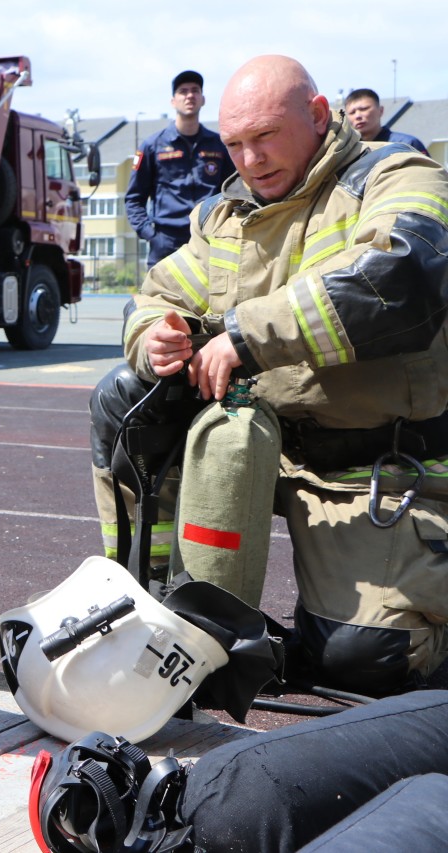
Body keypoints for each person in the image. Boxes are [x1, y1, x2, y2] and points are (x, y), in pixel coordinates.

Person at [88, 55, 448, 696]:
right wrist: (156, 339)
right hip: (264, 448)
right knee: (125, 395)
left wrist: (246, 336)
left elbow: (403, 281)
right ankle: (152, 601)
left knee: (367, 661)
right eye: (234, 144)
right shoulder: (224, 215)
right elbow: (154, 295)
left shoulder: (398, 175)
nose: (249, 160)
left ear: (316, 115)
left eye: (265, 137)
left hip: (373, 470)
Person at [125, 70, 235, 268]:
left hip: (210, 239)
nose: (190, 95)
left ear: (203, 99)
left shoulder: (219, 145)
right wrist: (151, 235)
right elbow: (134, 199)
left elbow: (234, 190)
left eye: (195, 90)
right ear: (173, 101)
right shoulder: (152, 146)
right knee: (159, 299)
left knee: (213, 298)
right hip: (166, 242)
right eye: (183, 91)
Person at [343, 88, 429, 155]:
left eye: (364, 109)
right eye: (352, 112)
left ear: (381, 110)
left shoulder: (407, 144)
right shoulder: (347, 151)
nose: (358, 116)